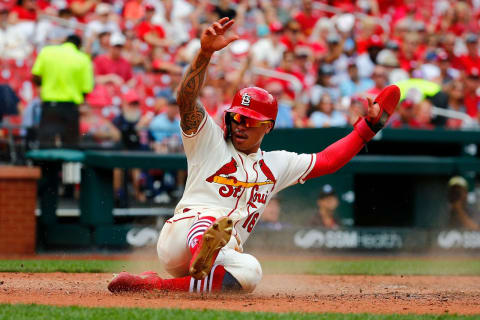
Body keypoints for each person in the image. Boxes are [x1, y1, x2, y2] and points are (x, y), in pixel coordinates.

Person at [108, 17, 401, 294]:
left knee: (251, 272)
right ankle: (203, 247)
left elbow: (328, 160)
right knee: (213, 219)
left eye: (250, 121)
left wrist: (368, 128)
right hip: (180, 237)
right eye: (237, 118)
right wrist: (204, 54)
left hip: (223, 253)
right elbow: (186, 100)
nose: (239, 125)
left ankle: (155, 286)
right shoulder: (209, 141)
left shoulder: (277, 163)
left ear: (268, 127)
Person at [32, 34, 94, 148]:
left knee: (46, 142)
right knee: (70, 145)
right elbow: (86, 89)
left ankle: (47, 166)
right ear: (79, 46)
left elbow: (36, 76)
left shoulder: (47, 52)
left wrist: (43, 87)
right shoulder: (83, 58)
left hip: (50, 104)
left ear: (64, 41)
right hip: (70, 107)